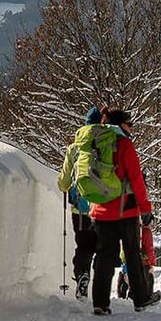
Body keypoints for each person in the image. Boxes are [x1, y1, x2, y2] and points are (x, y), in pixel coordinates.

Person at [85, 108, 160, 315]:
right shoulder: (124, 144)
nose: (132, 129)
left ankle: (99, 303)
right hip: (124, 211)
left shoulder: (94, 141)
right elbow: (136, 179)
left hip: (100, 211)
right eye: (129, 124)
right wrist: (145, 209)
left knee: (104, 257)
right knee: (132, 255)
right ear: (120, 125)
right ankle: (141, 299)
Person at [59, 107, 105, 300]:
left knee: (84, 246)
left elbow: (63, 183)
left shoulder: (74, 148)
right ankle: (101, 287)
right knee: (101, 247)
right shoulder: (108, 145)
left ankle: (82, 276)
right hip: (103, 208)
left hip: (80, 209)